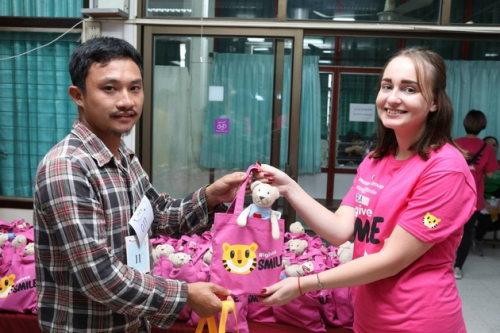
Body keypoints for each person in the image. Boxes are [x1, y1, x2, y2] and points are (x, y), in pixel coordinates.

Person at [33, 37, 248, 332]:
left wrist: (211, 196)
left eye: (134, 88)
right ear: (78, 95)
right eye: (109, 88)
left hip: (133, 323)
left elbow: (156, 216)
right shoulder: (68, 168)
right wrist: (185, 295)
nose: (126, 101)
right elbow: (100, 277)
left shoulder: (123, 156)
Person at [256, 47, 476, 332]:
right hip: (367, 318)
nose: (393, 98)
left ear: (434, 101)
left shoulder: (445, 168)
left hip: (419, 321)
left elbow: (391, 260)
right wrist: (288, 187)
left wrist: (303, 284)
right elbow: (338, 230)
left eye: (409, 89)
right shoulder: (375, 160)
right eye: (387, 86)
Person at [453, 111, 498, 265]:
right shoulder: (486, 148)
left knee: (447, 231)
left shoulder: (453, 144)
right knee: (466, 233)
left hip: (453, 196)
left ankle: (442, 264)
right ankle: (458, 267)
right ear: (482, 126)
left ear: (465, 123)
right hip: (474, 198)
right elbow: (491, 175)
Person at [474, 136, 500, 252]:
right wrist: (484, 203)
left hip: (497, 200)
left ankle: (476, 232)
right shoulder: (477, 166)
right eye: (488, 144)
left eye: (494, 145)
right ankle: (478, 239)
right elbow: (473, 187)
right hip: (479, 200)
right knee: (485, 220)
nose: (491, 147)